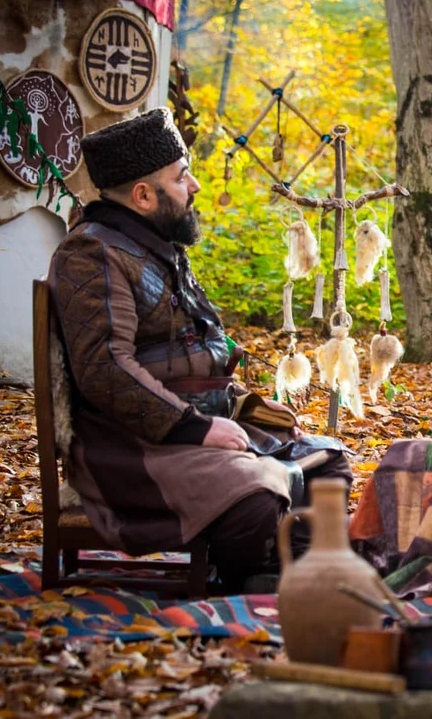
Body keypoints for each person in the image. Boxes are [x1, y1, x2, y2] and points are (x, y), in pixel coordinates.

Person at [47, 107, 350, 592]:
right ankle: (257, 571)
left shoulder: (157, 246)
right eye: (181, 176)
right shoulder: (92, 254)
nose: (195, 187)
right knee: (255, 493)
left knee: (327, 461)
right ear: (143, 195)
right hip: (132, 447)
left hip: (191, 429)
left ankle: (290, 564)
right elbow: (106, 369)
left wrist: (235, 405)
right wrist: (198, 428)